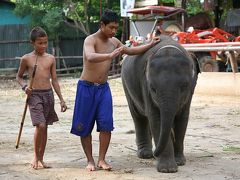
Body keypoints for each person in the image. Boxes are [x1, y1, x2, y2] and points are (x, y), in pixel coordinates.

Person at [70, 9, 160, 171]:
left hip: (103, 89)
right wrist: (110, 56)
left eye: (115, 28)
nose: (114, 31)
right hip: (86, 88)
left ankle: (102, 159)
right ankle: (90, 160)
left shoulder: (114, 42)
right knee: (84, 127)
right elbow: (90, 56)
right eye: (111, 27)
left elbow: (131, 51)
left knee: (106, 125)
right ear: (102, 25)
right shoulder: (90, 40)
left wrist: (150, 44)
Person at [16, 27, 67, 170]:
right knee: (41, 125)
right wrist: (25, 87)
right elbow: (18, 77)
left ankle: (41, 159)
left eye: (45, 42)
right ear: (32, 43)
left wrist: (61, 99)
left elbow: (55, 80)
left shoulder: (51, 58)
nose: (43, 46)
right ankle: (35, 157)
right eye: (40, 43)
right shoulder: (26, 58)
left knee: (45, 128)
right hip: (34, 95)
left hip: (48, 94)